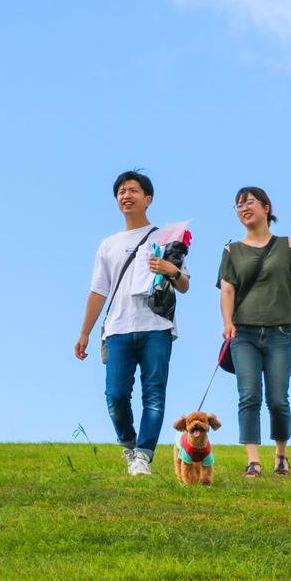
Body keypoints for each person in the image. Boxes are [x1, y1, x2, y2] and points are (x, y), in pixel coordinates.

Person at [75, 171, 190, 475]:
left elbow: (184, 285)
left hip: (157, 327)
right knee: (115, 395)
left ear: (147, 199)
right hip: (118, 329)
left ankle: (143, 456)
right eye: (121, 192)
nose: (126, 196)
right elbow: (98, 291)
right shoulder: (108, 245)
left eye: (133, 191)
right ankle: (129, 445)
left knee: (154, 394)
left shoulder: (167, 238)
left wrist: (170, 269)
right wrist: (85, 332)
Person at [217, 186, 291, 478]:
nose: (244, 208)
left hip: (280, 331)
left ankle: (281, 455)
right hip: (243, 335)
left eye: (249, 202)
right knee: (248, 396)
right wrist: (227, 322)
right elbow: (227, 290)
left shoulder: (287, 245)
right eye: (239, 205)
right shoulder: (231, 251)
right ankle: (253, 462)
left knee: (278, 398)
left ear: (266, 208)